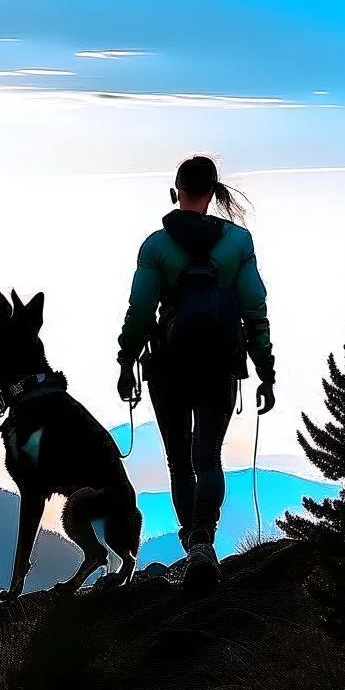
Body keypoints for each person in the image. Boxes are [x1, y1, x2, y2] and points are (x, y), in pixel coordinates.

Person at [115, 155, 275, 596]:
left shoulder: (156, 247)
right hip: (221, 365)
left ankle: (192, 544)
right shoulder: (238, 242)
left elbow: (141, 311)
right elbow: (254, 308)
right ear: (214, 193)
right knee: (209, 457)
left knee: (179, 462)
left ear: (176, 191)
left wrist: (126, 362)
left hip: (168, 366)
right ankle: (205, 541)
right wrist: (266, 370)